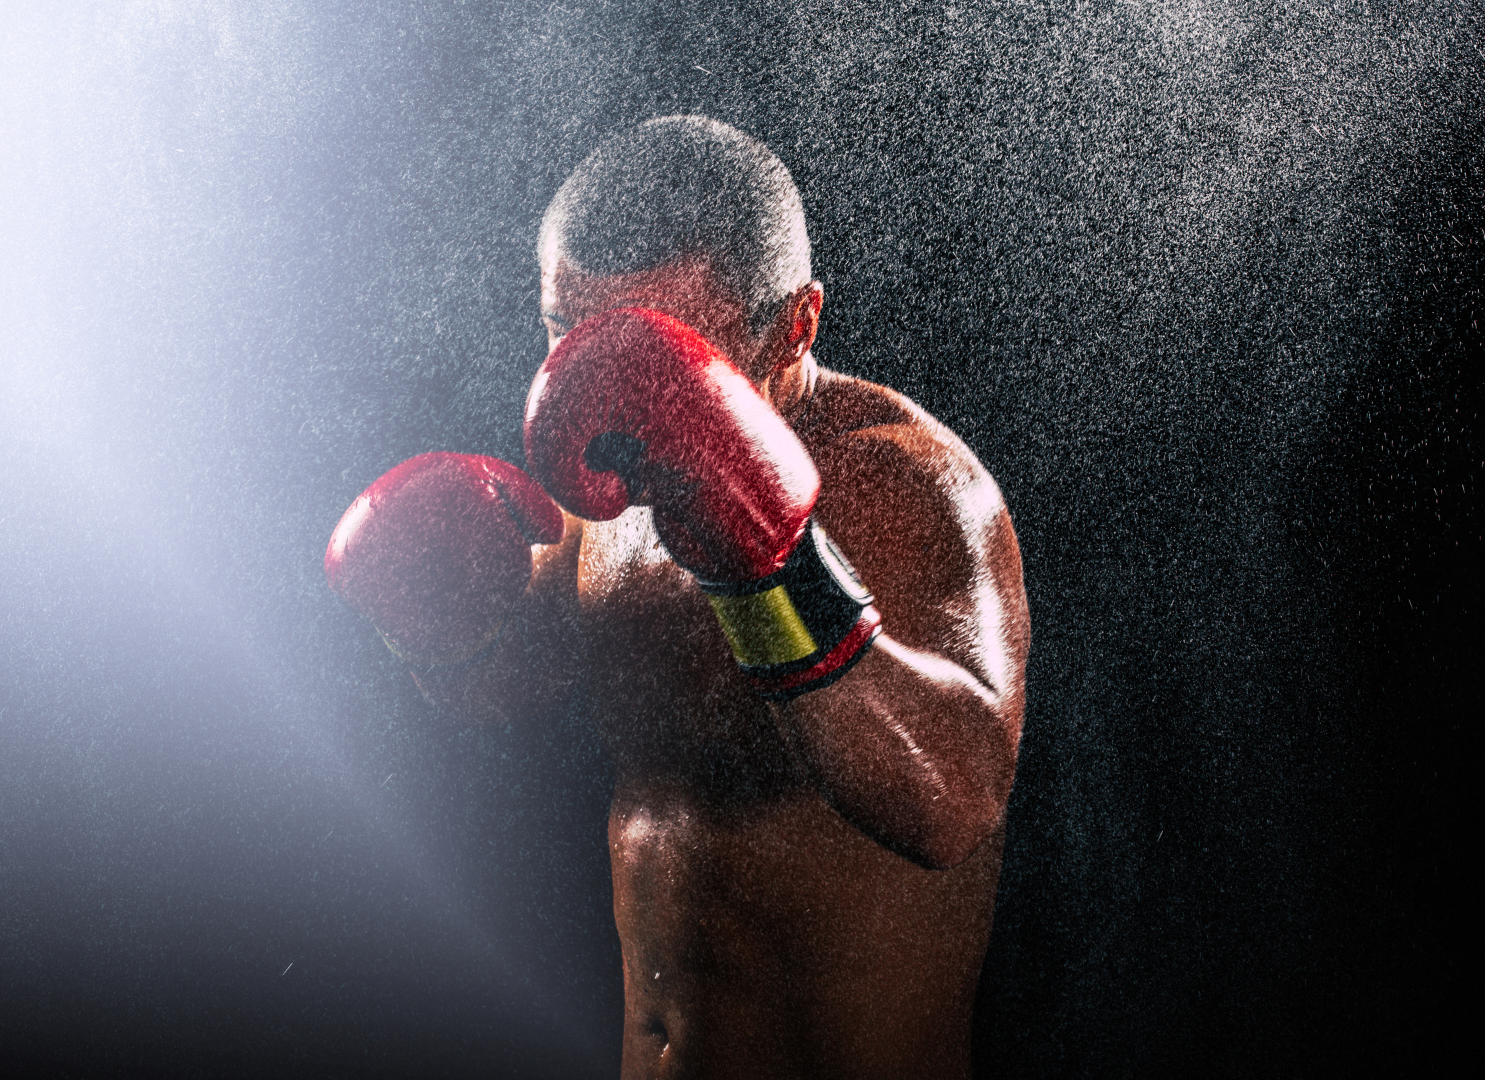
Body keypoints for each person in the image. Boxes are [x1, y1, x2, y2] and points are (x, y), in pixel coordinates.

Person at [327, 116, 1029, 1080]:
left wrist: (775, 570)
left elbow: (953, 804)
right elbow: (503, 689)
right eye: (571, 335)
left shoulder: (901, 486)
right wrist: (433, 612)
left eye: (663, 349)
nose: (612, 388)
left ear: (795, 326)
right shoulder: (606, 475)